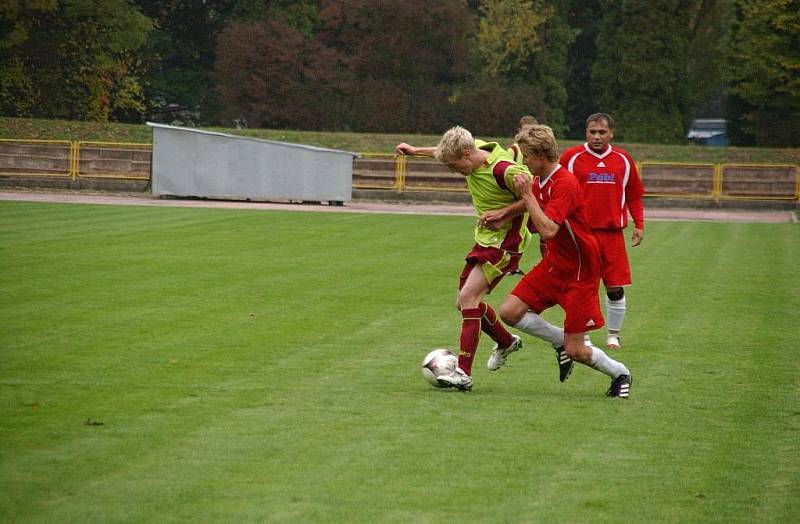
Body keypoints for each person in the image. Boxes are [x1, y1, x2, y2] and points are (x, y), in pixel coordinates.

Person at [395, 126, 570, 391]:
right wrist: (415, 151)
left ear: (467, 154)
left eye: (455, 166)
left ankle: (463, 372)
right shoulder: (472, 147)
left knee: (468, 299)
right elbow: (442, 153)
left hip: (506, 243)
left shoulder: (503, 170)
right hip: (485, 240)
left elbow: (534, 195)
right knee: (464, 303)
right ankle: (505, 341)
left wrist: (504, 213)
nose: (455, 171)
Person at [493, 124, 632, 398]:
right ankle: (559, 340)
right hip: (554, 265)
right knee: (509, 312)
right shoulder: (540, 180)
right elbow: (532, 200)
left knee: (576, 350)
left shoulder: (565, 183)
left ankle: (620, 373)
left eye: (527, 157)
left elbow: (548, 229)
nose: (524, 162)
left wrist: (527, 195)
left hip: (580, 272)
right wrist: (505, 214)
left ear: (541, 155)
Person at [559, 113, 645, 350]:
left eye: (602, 132)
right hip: (581, 233)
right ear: (586, 133)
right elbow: (557, 188)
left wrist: (639, 224)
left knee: (615, 287)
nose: (597, 137)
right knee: (582, 287)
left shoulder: (623, 159)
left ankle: (613, 335)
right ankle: (582, 333)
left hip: (612, 235)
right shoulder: (571, 157)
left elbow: (635, 194)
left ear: (611, 133)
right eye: (592, 132)